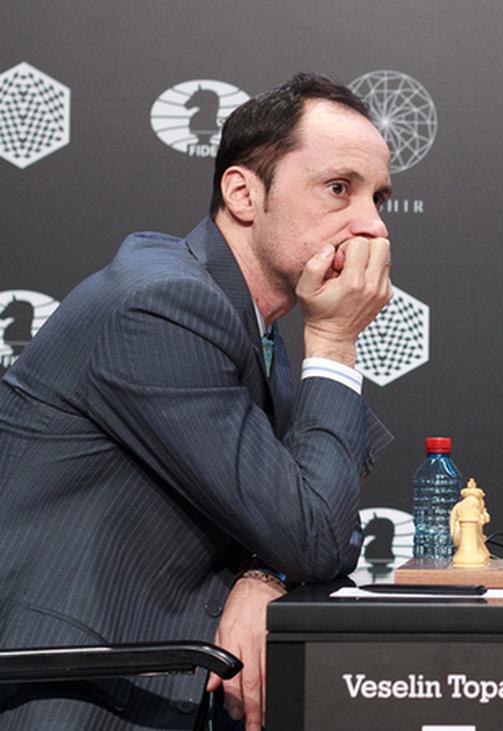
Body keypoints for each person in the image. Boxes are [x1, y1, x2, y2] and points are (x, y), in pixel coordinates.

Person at [0, 73, 394, 730]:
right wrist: (333, 340)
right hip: (72, 698)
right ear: (243, 194)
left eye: (379, 197)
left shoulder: (253, 326)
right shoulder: (163, 307)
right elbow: (315, 534)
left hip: (156, 688)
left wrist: (265, 574)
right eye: (338, 188)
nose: (374, 225)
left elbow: (322, 516)